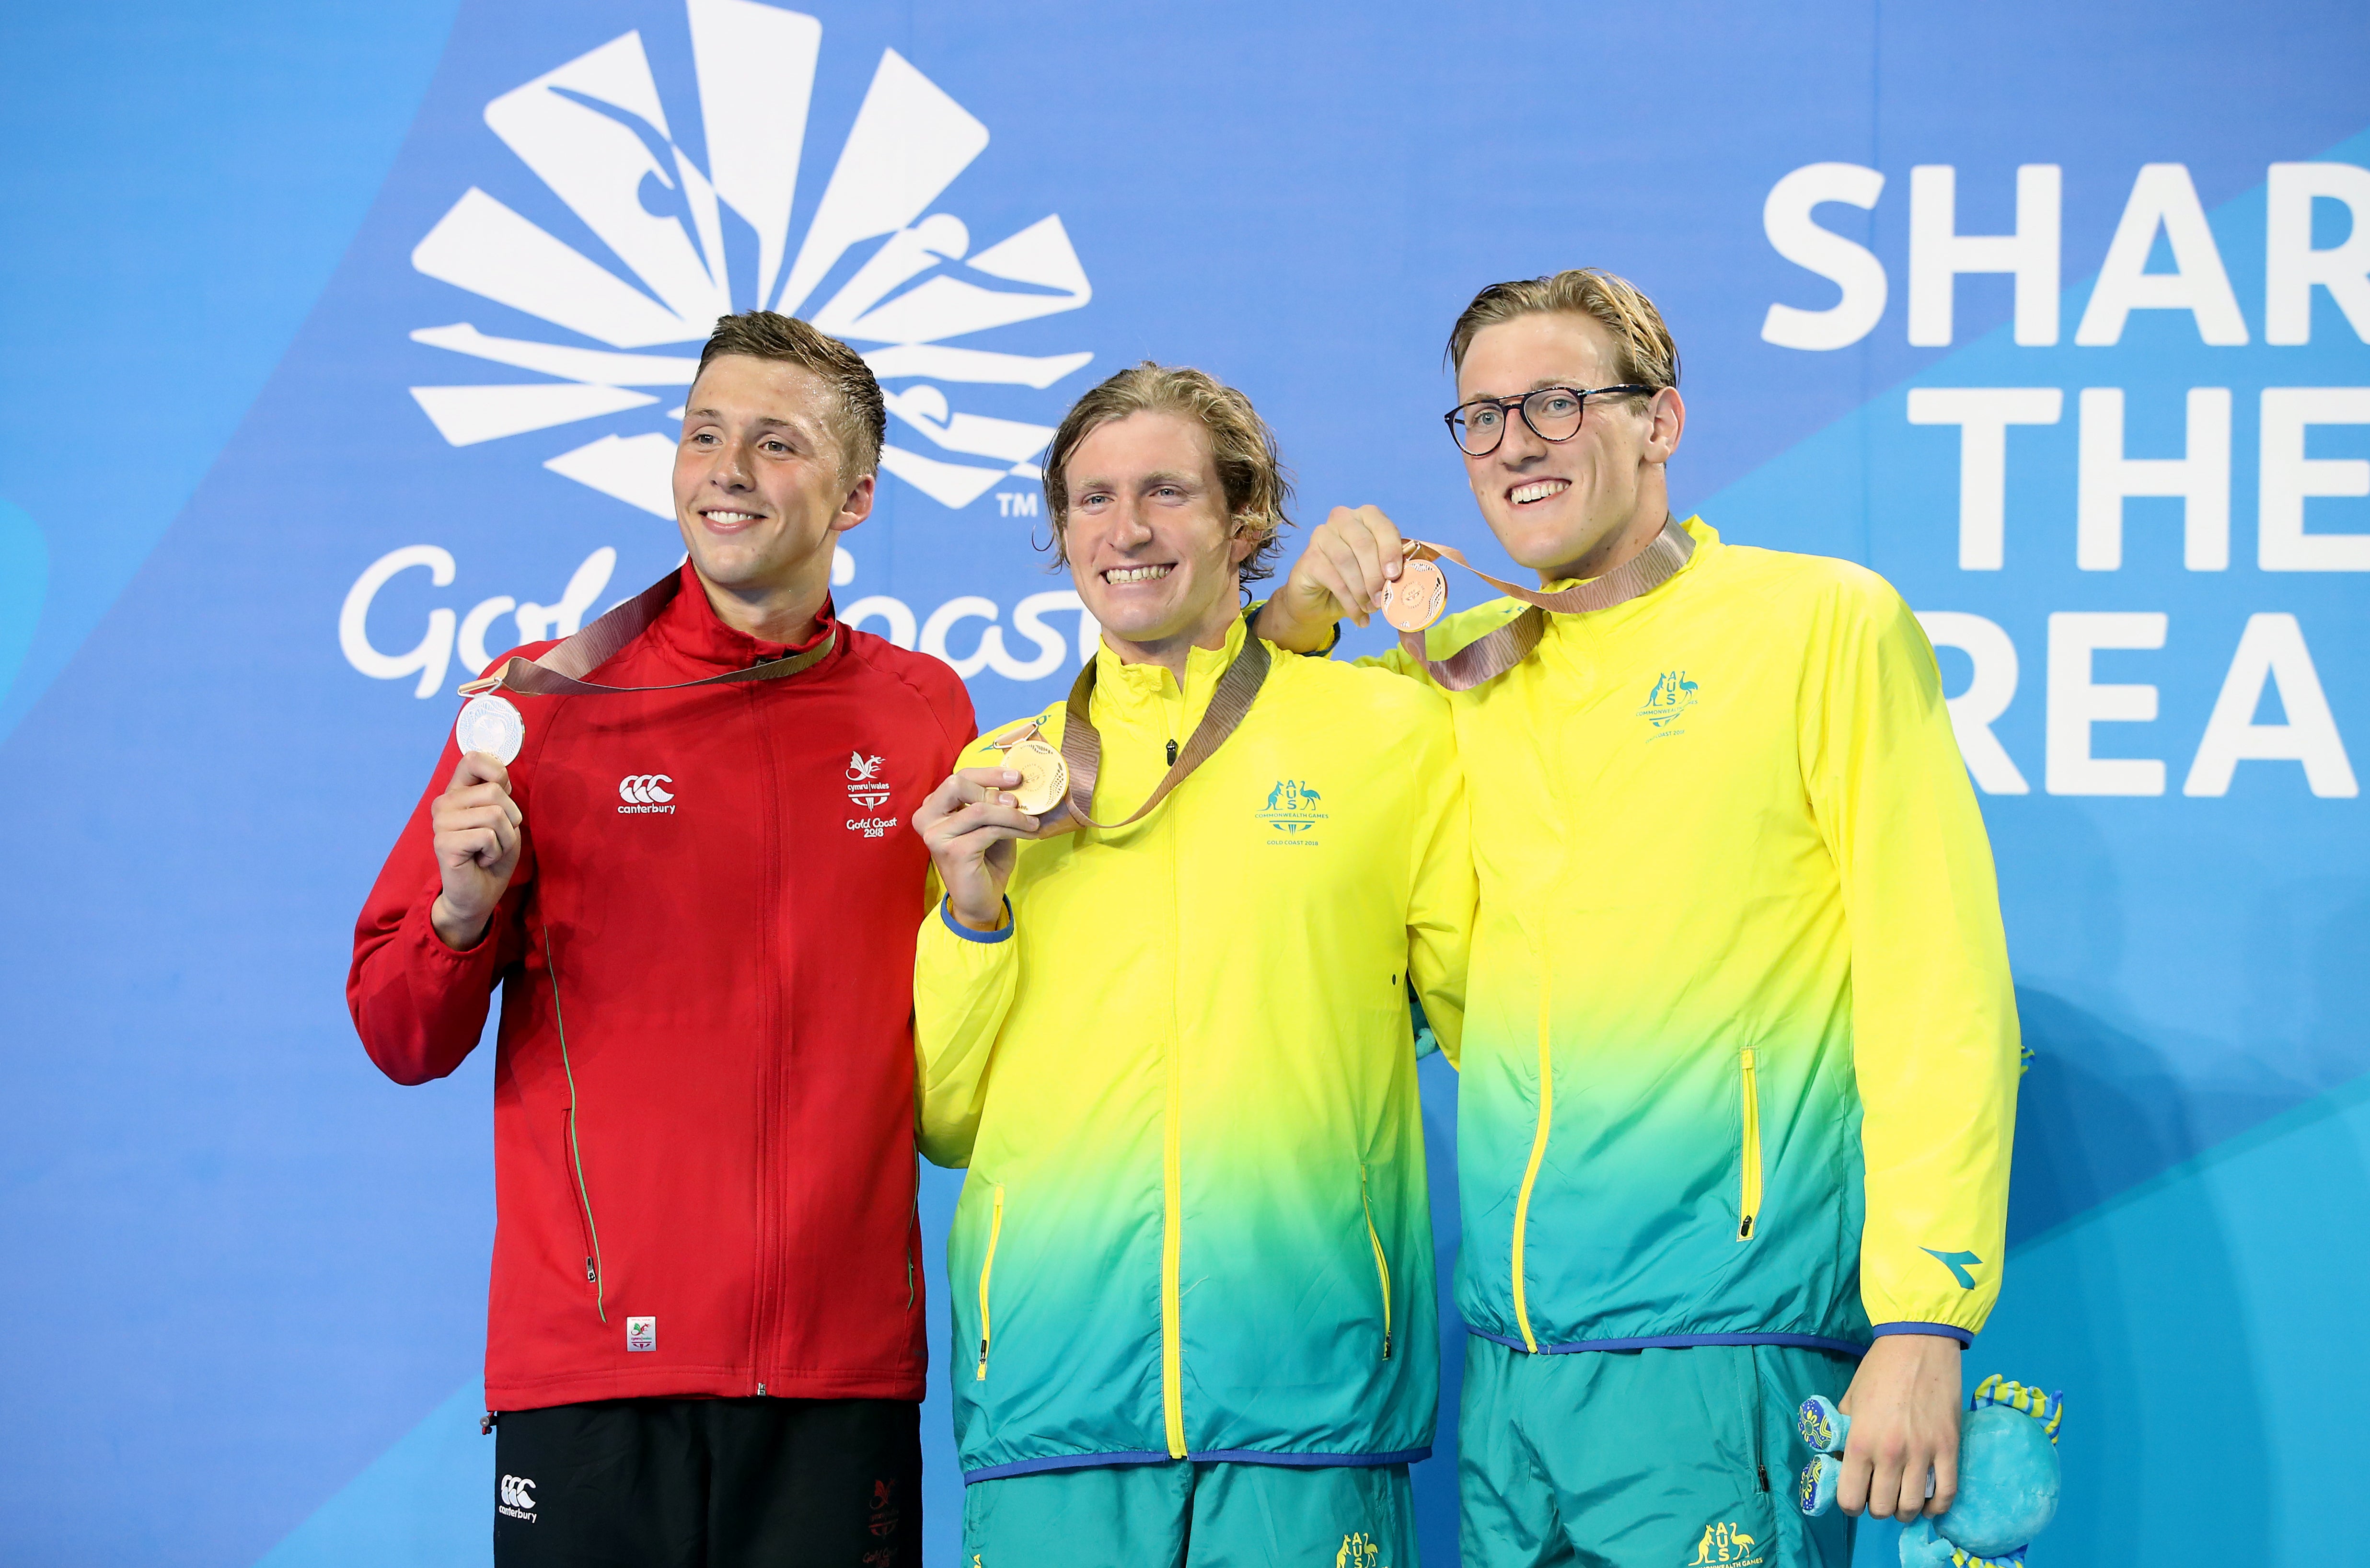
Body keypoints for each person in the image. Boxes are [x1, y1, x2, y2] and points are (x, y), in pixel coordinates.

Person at [1254, 270, 2020, 1568]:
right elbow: (1249, 812)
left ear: (1658, 424)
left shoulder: (1819, 625)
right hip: (1507, 1367)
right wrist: (1296, 623)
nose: (1516, 444)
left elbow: (1935, 979)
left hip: (1723, 1347)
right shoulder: (1464, 671)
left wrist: (1921, 1321)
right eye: (1482, 417)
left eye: (1557, 401)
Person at [348, 311, 972, 1567]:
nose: (726, 468)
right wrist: (465, 912)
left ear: (857, 498)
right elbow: (397, 1031)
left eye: (775, 443)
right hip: (590, 1383)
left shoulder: (923, 713)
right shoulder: (540, 704)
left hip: (836, 1385)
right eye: (703, 435)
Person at [911, 363, 1475, 1566]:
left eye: (1166, 491)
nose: (1127, 530)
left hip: (1310, 1394)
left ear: (1245, 522)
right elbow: (948, 1119)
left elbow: (1495, 1022)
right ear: (1060, 531)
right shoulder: (998, 775)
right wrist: (968, 913)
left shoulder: (1387, 737)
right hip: (1054, 1401)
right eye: (1094, 497)